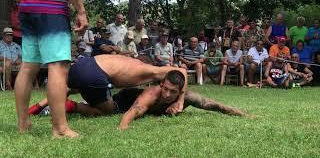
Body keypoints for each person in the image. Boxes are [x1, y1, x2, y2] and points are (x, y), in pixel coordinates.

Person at [28, 71, 248, 131]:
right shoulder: (152, 94)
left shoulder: (186, 96)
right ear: (160, 85)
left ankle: (64, 100)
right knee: (100, 112)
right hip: (124, 101)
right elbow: (134, 110)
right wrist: (122, 128)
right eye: (165, 88)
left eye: (172, 91)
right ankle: (61, 102)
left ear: (180, 91)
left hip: (129, 95)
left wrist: (245, 115)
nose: (166, 93)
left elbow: (214, 105)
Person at [15, 0, 88, 138]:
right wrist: (81, 11)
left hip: (28, 5)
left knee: (28, 66)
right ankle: (60, 129)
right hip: (50, 6)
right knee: (58, 66)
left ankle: (23, 123)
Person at [66, 55, 188, 115]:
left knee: (69, 88)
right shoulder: (150, 70)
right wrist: (180, 100)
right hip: (95, 74)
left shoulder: (129, 62)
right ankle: (72, 106)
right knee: (109, 111)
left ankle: (48, 104)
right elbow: (182, 71)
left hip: (81, 64)